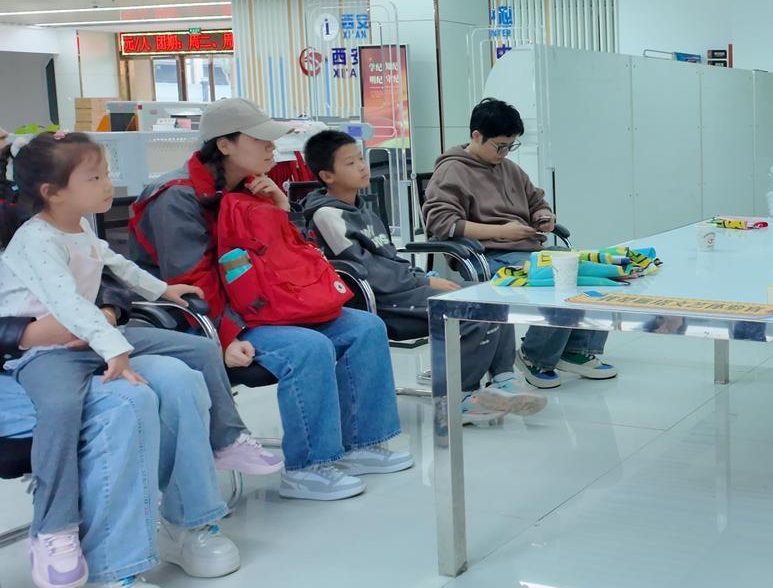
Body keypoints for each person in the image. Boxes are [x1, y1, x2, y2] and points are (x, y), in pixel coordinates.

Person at [0, 133, 279, 588]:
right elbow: (67, 304)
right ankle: (55, 527)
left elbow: (116, 266)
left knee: (196, 354)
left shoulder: (77, 226)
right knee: (65, 409)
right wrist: (113, 347)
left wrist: (162, 290)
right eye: (95, 178)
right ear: (53, 192)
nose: (108, 184)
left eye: (105, 174)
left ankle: (226, 442)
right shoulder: (34, 240)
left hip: (92, 335)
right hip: (47, 352)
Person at [130, 98, 410, 502]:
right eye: (260, 140)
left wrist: (280, 208)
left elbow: (290, 254)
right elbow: (192, 284)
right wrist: (227, 336)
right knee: (308, 347)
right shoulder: (177, 198)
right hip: (207, 318)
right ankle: (309, 468)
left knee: (365, 327)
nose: (271, 147)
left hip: (264, 303)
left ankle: (364, 443)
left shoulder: (252, 187)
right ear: (224, 144)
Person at [0, 240, 240, 588]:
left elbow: (102, 275)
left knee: (179, 378)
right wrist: (29, 333)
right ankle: (96, 580)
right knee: (124, 402)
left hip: (80, 344)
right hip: (21, 364)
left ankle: (186, 523)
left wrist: (106, 312)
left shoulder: (33, 222)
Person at [301, 129, 546, 424]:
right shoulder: (328, 215)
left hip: (402, 289)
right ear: (327, 175)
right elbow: (367, 272)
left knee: (491, 294)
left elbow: (389, 258)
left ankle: (503, 377)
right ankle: (458, 398)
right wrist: (424, 281)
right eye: (351, 163)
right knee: (470, 311)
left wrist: (419, 276)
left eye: (360, 159)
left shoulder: (362, 208)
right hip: (381, 301)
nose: (363, 167)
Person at [422, 98, 616, 388]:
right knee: (559, 278)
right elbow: (443, 223)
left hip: (525, 249)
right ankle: (534, 356)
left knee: (592, 269)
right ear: (476, 135)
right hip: (487, 255)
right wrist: (501, 232)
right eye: (500, 146)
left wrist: (542, 216)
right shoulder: (452, 171)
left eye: (510, 146)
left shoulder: (509, 169)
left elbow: (536, 201)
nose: (504, 153)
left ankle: (576, 348)